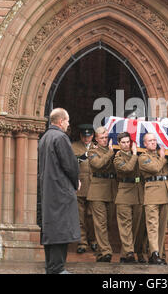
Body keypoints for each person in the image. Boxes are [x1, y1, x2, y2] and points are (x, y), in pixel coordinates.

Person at [38, 108, 81, 274]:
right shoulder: (60, 137)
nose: (68, 124)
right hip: (61, 190)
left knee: (51, 228)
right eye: (68, 120)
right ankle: (57, 268)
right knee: (61, 228)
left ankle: (52, 267)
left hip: (49, 190)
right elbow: (70, 165)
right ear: (61, 121)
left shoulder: (45, 138)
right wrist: (75, 181)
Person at [138, 133, 168, 265]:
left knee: (162, 227)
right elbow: (155, 168)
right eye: (150, 141)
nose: (153, 142)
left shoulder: (159, 155)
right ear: (145, 144)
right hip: (152, 193)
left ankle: (159, 252)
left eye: (154, 140)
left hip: (164, 192)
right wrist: (163, 157)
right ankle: (154, 253)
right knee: (152, 225)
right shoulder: (143, 157)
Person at [113, 132, 144, 263]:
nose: (126, 145)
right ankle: (129, 253)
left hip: (137, 192)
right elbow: (128, 168)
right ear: (119, 144)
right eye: (123, 142)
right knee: (125, 225)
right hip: (124, 192)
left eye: (128, 142)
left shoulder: (137, 154)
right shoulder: (117, 158)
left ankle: (125, 254)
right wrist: (135, 155)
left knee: (136, 226)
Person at [87, 126, 116, 262]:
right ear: (96, 139)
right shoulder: (92, 151)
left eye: (106, 137)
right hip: (97, 191)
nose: (105, 140)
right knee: (101, 223)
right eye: (102, 138)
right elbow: (98, 164)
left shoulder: (113, 150)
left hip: (111, 190)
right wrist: (110, 153)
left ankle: (100, 251)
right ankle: (106, 251)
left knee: (109, 223)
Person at [71, 124, 97, 254]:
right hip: (80, 185)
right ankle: (82, 242)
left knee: (92, 216)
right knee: (80, 217)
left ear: (92, 136)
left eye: (89, 136)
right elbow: (71, 163)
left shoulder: (97, 147)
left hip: (95, 187)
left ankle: (93, 240)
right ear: (81, 136)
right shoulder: (74, 146)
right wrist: (85, 155)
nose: (87, 138)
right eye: (84, 136)